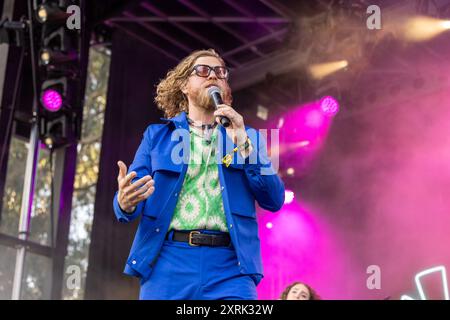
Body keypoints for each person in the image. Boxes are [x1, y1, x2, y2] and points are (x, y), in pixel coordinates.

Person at [113, 49, 285, 300]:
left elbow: (274, 199)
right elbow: (131, 196)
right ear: (184, 85)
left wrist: (243, 143)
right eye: (203, 71)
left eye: (220, 73)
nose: (213, 76)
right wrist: (124, 202)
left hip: (230, 268)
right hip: (168, 264)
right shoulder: (157, 136)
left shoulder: (247, 137)